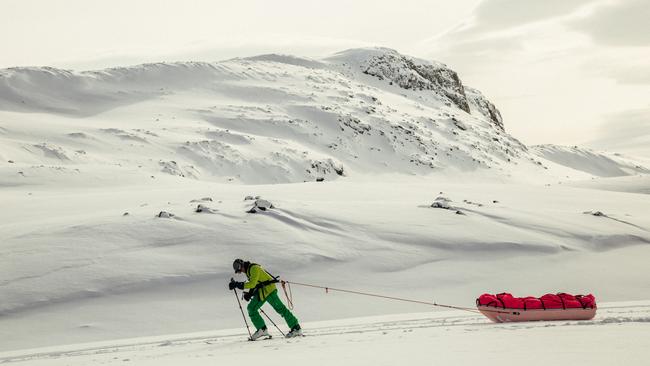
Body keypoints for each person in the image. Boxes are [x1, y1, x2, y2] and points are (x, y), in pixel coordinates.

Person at [229, 259, 302, 340]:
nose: (240, 271)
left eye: (239, 268)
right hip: (263, 292)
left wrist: (237, 284)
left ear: (241, 264)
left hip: (269, 290)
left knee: (280, 309)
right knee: (251, 308)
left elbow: (252, 284)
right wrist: (249, 294)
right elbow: (256, 284)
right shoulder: (249, 271)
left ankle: (296, 328)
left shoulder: (254, 268)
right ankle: (262, 329)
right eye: (238, 270)